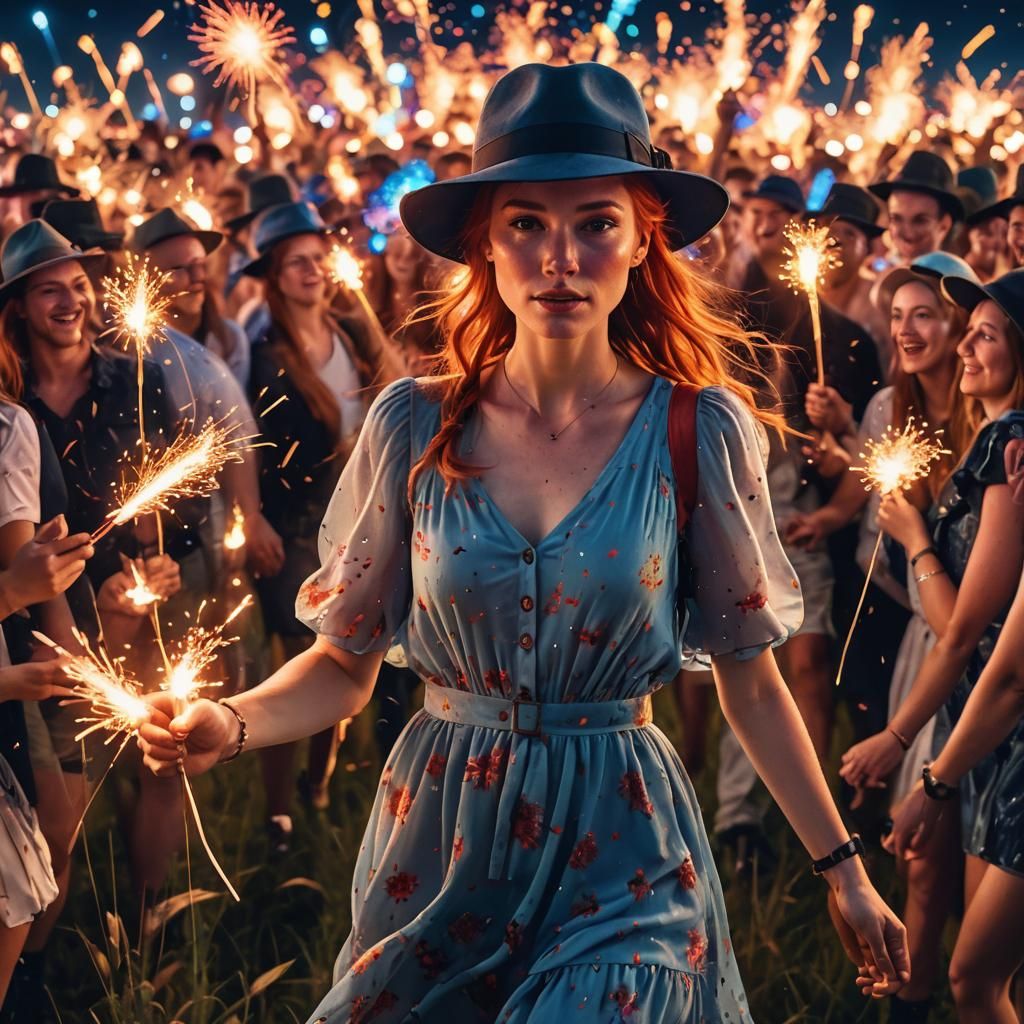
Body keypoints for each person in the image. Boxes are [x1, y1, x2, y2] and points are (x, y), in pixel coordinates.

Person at [139, 62, 908, 1023]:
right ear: (484, 247)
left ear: (641, 243)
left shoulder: (697, 431)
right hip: (442, 843)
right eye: (526, 226)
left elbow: (752, 680)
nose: (559, 258)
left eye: (595, 223)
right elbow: (344, 665)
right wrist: (229, 723)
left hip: (624, 846)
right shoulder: (411, 428)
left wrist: (843, 872)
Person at [789, 252, 979, 1023]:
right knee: (915, 832)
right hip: (900, 623)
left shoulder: (988, 419)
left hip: (962, 636)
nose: (905, 331)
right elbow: (872, 494)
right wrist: (838, 448)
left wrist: (913, 526)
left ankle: (952, 971)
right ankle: (912, 986)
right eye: (895, 316)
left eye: (923, 315)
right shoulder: (884, 411)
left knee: (948, 827)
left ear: (961, 325)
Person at [841, 267, 1024, 1022]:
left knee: (975, 978)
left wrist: (916, 539)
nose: (965, 349)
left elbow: (968, 629)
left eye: (983, 335)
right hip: (982, 719)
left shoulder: (1008, 443)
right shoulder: (998, 439)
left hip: (1003, 725)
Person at [240, 201, 380, 848]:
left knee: (346, 650)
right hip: (292, 530)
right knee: (306, 656)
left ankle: (317, 783)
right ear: (272, 274)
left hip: (349, 521)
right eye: (297, 262)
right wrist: (252, 520)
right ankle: (277, 811)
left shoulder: (349, 336)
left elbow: (389, 397)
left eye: (320, 258)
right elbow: (241, 441)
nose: (313, 271)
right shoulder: (263, 354)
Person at [886, 435, 1024, 1024]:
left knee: (974, 976)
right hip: (1003, 753)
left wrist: (931, 785)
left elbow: (1005, 670)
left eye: (985, 334)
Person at [816, 183, 890, 371]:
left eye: (849, 234)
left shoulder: (879, 306)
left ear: (866, 248)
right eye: (828, 230)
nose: (835, 240)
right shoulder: (796, 298)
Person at [868, 152, 964, 266]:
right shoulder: (887, 272)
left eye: (920, 220)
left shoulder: (951, 280)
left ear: (944, 225)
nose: (908, 233)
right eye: (896, 219)